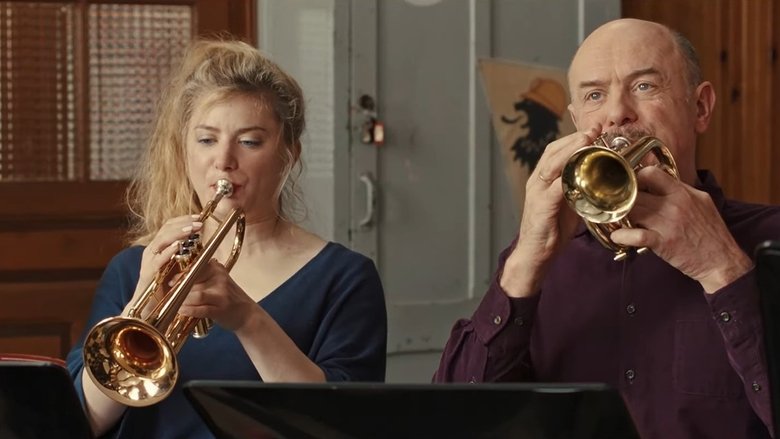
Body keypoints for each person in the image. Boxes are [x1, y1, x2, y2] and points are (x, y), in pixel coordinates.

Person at [434, 18, 780, 439]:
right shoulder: (540, 259)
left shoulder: (771, 238)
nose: (617, 113)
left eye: (645, 86)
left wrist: (722, 269)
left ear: (701, 107)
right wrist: (525, 262)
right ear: (576, 119)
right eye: (595, 95)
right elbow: (452, 422)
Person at [66, 39, 387, 438]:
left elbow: (341, 426)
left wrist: (247, 319)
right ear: (184, 151)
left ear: (289, 154)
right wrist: (139, 309)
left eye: (249, 141)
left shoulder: (345, 277)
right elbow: (79, 423)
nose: (223, 160)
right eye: (206, 140)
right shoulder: (134, 267)